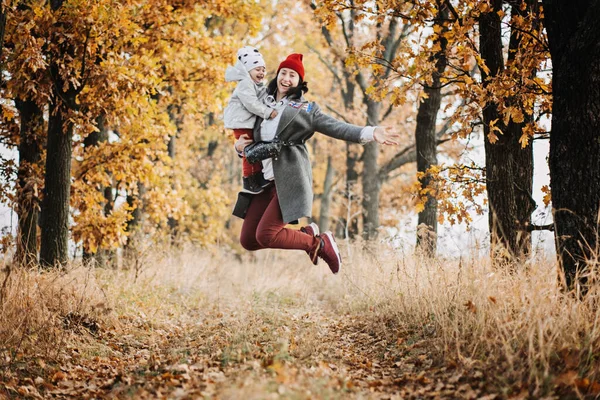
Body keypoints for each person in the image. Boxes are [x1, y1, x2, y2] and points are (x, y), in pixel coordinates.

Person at [233, 53, 401, 274]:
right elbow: (248, 136)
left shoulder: (305, 109)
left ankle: (319, 243)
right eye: (283, 72)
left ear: (299, 82)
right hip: (265, 181)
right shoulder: (261, 103)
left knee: (266, 234)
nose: (286, 78)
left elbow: (336, 127)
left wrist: (371, 132)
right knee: (248, 240)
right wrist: (239, 148)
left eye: (292, 75)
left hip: (289, 180)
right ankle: (307, 235)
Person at [224, 46, 278, 194]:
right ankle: (249, 180)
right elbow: (252, 104)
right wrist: (268, 112)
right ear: (247, 70)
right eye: (257, 69)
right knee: (249, 150)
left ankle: (255, 177)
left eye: (263, 69)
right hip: (241, 123)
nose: (261, 73)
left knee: (251, 150)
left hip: (246, 122)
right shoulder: (245, 84)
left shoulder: (255, 84)